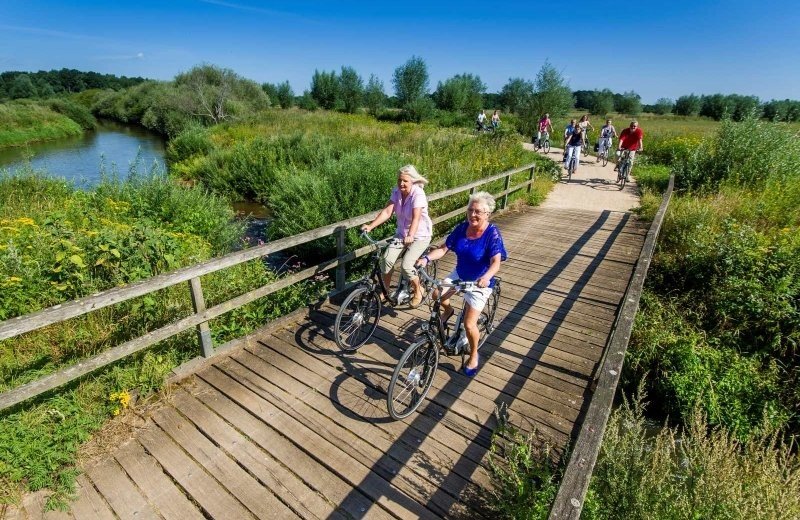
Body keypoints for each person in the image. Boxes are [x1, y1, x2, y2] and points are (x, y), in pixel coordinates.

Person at [416, 191, 507, 377]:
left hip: (479, 281)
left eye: (478, 212)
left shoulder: (492, 233)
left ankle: (474, 354)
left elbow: (496, 262)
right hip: (460, 273)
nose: (473, 215)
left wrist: (486, 277)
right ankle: (448, 311)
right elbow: (443, 249)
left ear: (487, 214)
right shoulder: (462, 228)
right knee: (436, 295)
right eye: (470, 210)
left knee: (469, 324)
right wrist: (426, 259)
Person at [361, 165, 433, 307]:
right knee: (386, 259)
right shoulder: (397, 191)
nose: (401, 184)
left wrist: (411, 235)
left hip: (420, 235)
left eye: (405, 181)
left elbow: (416, 218)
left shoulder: (418, 194)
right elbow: (387, 212)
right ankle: (386, 291)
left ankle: (419, 290)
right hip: (401, 233)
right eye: (399, 180)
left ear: (412, 181)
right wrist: (370, 226)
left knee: (407, 265)